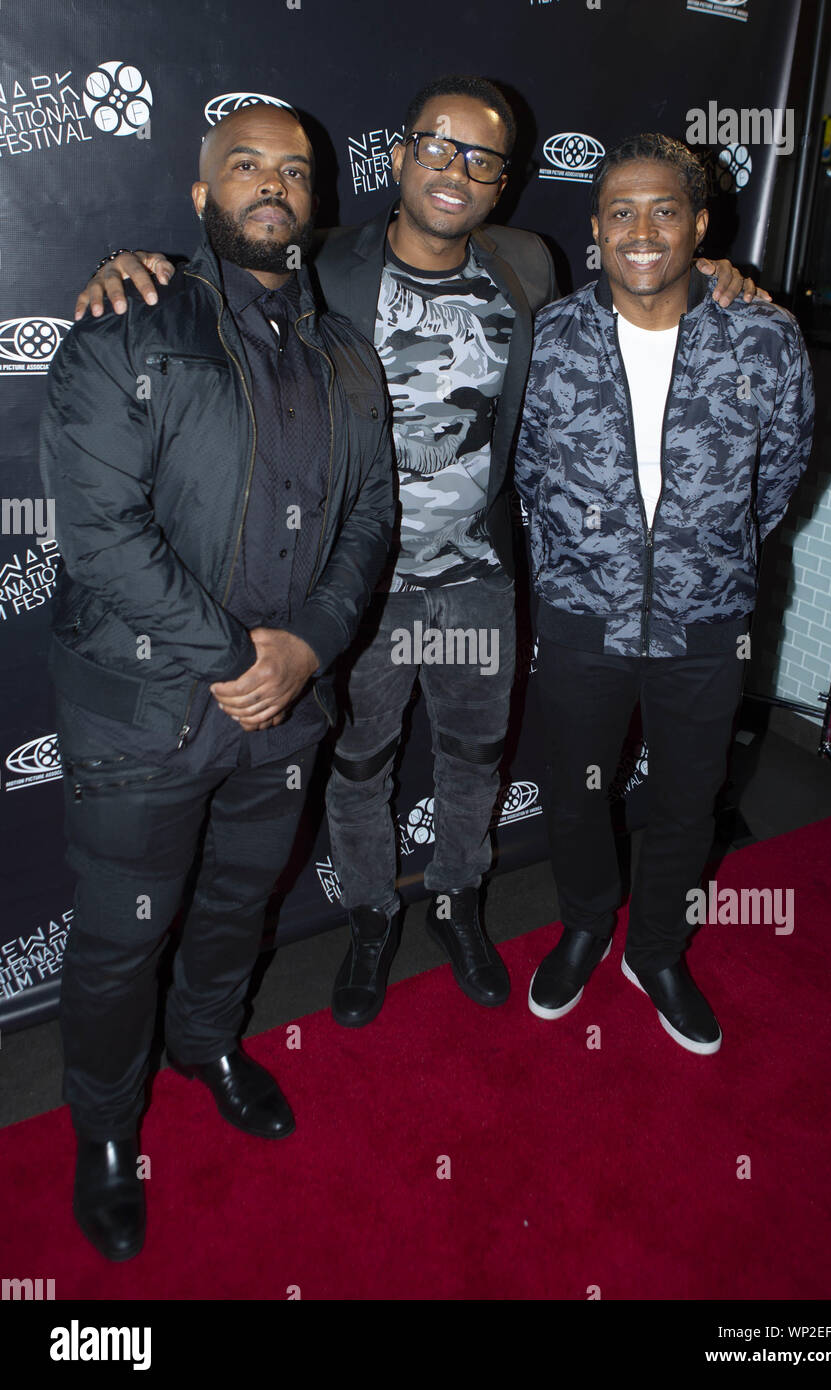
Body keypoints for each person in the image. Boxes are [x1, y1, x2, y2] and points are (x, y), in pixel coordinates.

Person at [73, 78, 763, 1032]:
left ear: (505, 183)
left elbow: (641, 306)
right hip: (355, 592)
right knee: (359, 768)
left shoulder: (528, 263)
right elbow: (222, 256)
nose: (457, 169)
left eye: (482, 158)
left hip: (478, 579)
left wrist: (723, 274)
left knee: (477, 760)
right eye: (438, 147)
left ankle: (459, 902)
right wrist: (124, 264)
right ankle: (369, 915)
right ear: (397, 158)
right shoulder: (322, 261)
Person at [39, 103, 395, 1261]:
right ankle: (104, 1133)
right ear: (199, 198)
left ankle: (207, 1042)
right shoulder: (125, 329)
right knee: (116, 944)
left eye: (295, 170)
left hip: (282, 715)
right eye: (244, 165)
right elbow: (100, 536)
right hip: (145, 715)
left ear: (316, 202)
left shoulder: (349, 355)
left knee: (238, 907)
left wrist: (309, 647)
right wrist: (240, 655)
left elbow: (369, 520)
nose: (272, 184)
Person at [514, 132, 814, 1053]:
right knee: (576, 792)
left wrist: (702, 557)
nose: (641, 230)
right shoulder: (554, 333)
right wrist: (578, 567)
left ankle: (658, 951)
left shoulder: (763, 334)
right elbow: (525, 475)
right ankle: (587, 926)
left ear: (699, 224)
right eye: (620, 212)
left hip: (707, 614)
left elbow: (784, 472)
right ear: (596, 227)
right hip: (579, 616)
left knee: (692, 796)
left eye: (664, 210)